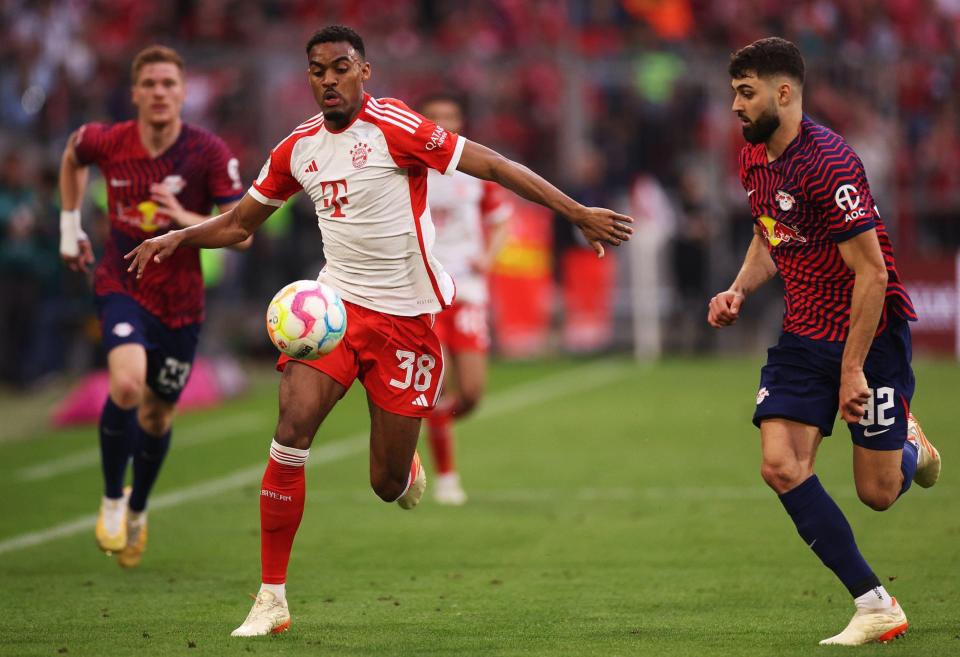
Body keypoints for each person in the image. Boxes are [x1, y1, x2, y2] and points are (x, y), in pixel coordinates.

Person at [126, 25, 632, 637]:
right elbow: (239, 225)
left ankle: (408, 469)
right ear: (308, 77)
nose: (329, 80)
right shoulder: (297, 149)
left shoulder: (398, 127)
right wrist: (181, 236)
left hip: (409, 322)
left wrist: (576, 212)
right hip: (336, 312)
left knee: (386, 483)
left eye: (341, 67)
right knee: (291, 428)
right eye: (318, 70)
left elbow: (492, 165)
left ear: (364, 72)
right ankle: (271, 598)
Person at [708, 37, 941, 646]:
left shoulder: (830, 163)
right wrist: (739, 289)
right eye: (734, 91)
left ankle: (908, 444)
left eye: (746, 92)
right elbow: (770, 233)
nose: (735, 105)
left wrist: (853, 370)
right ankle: (876, 603)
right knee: (780, 465)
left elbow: (873, 273)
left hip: (869, 337)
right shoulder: (753, 156)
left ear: (784, 93)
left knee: (879, 494)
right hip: (804, 333)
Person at [58, 45, 247, 568]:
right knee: (125, 384)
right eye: (151, 84)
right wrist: (69, 228)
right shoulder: (110, 140)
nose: (160, 93)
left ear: (183, 92)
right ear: (136, 92)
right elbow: (73, 156)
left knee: (159, 417)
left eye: (169, 84)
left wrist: (184, 219)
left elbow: (243, 232)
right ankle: (112, 499)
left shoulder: (208, 152)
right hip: (121, 282)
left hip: (181, 303)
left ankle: (139, 507)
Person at [420, 92, 511, 505]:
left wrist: (487, 259)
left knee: (471, 393)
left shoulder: (474, 169)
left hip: (469, 289)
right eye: (435, 116)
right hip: (426, 292)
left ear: (459, 122)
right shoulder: (408, 170)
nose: (443, 122)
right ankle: (446, 476)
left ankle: (436, 423)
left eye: (450, 115)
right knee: (437, 384)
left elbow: (501, 221)